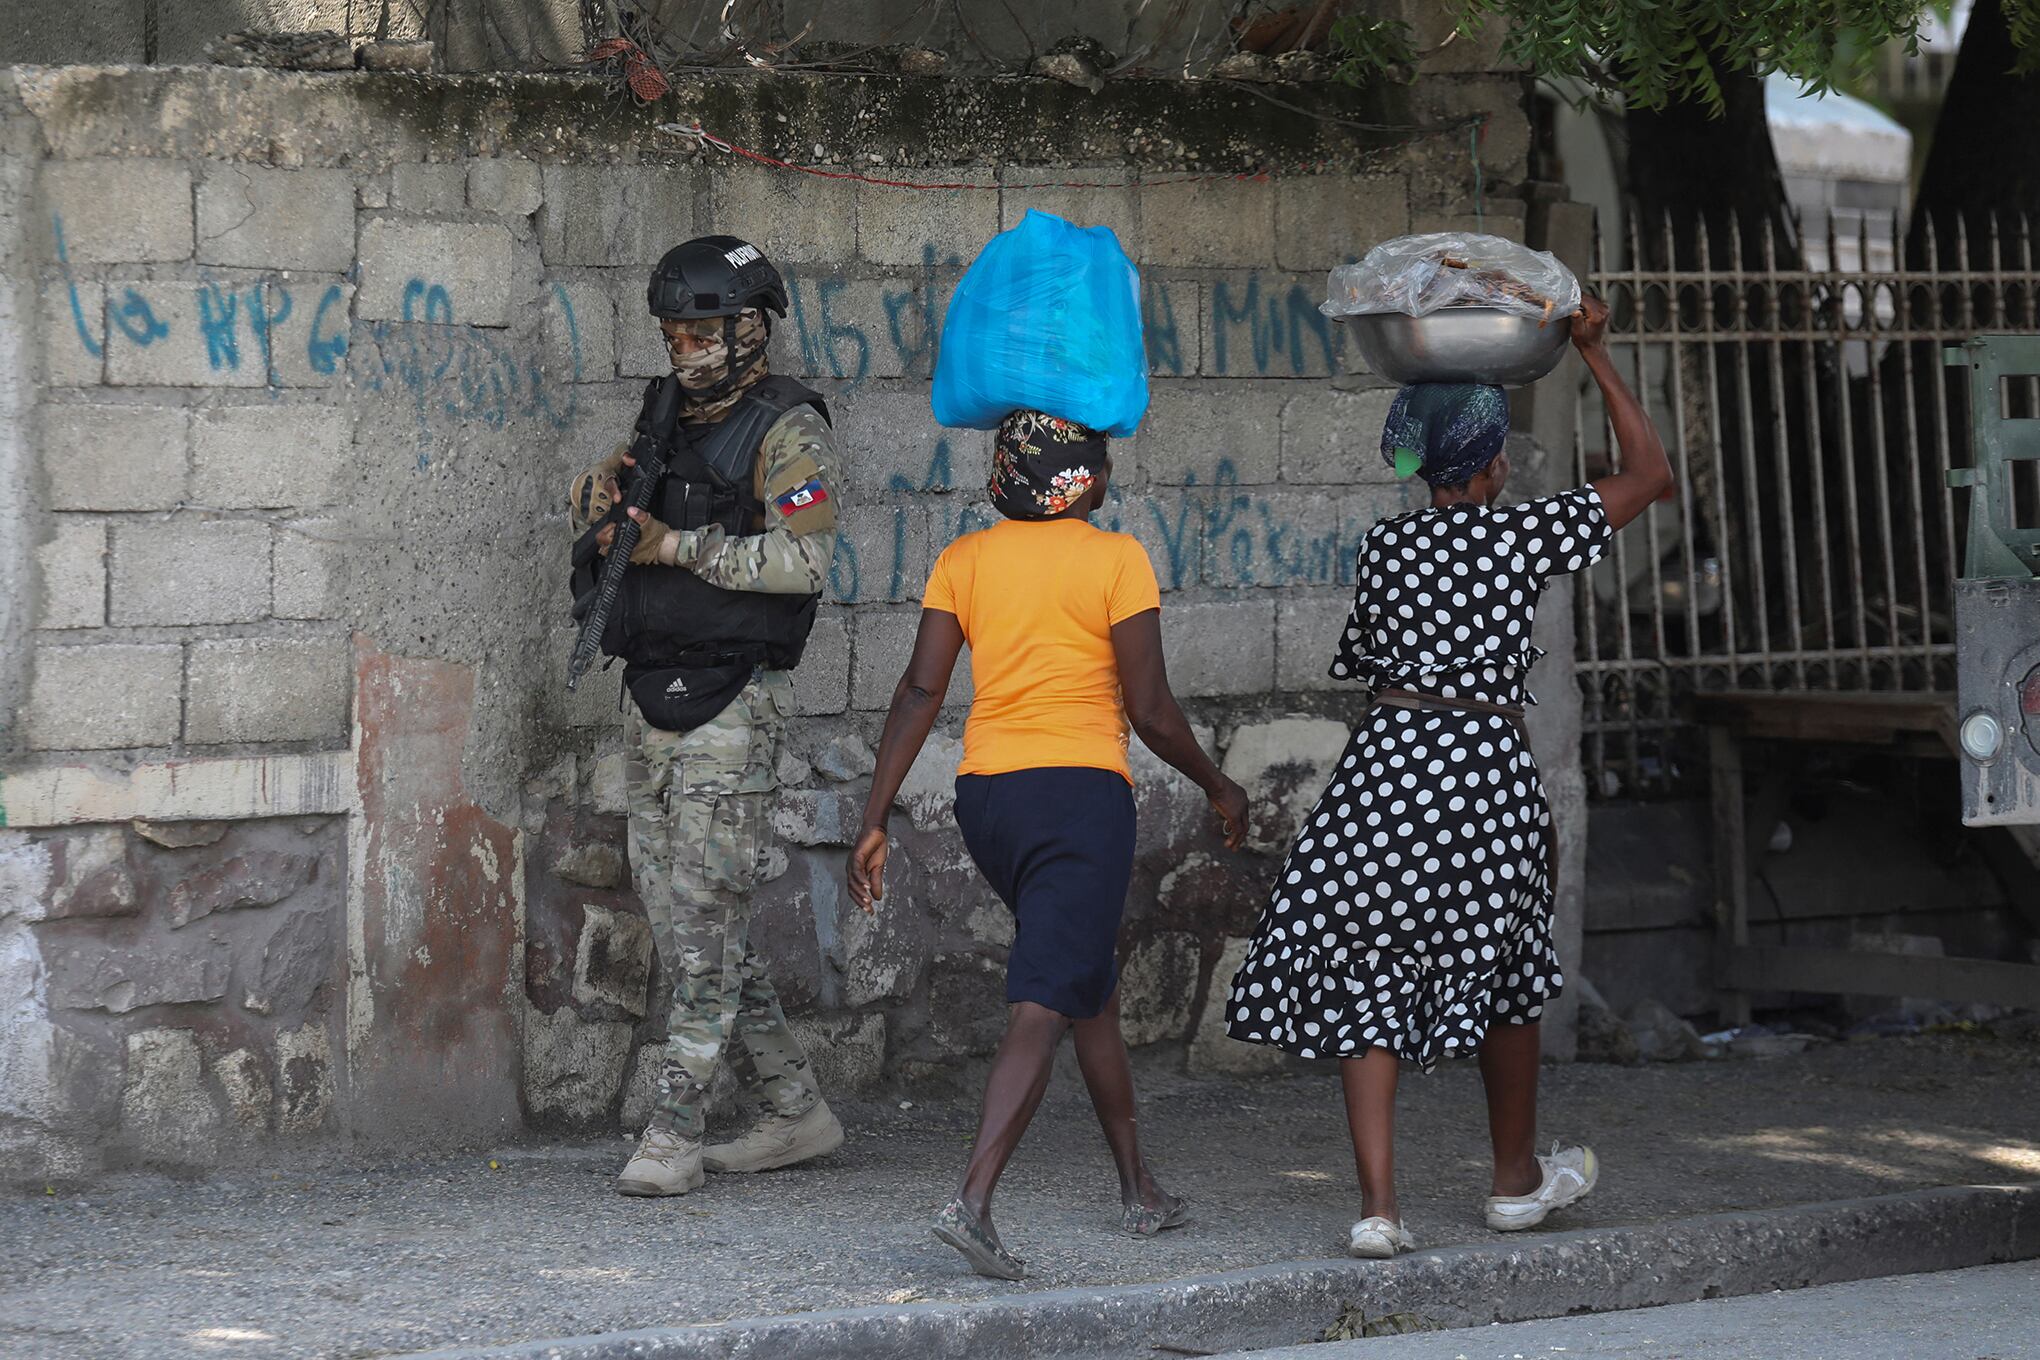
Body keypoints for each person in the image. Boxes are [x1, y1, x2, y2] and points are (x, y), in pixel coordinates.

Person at [1223, 295, 1672, 1258]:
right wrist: (1594, 354)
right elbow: (1649, 474)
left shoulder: (1385, 547)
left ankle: (1378, 1210)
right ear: (1495, 465)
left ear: (1422, 465)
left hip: (1386, 770)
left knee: (1368, 967)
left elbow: (1368, 659)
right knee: (1507, 965)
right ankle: (1513, 1183)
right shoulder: (1523, 537)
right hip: (1486, 773)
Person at [846, 409, 1252, 1281]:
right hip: (1078, 801)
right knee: (1044, 995)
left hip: (988, 801)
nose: (1107, 479)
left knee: (1085, 979)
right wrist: (1219, 784)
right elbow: (1150, 710)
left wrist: (875, 817)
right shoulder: (1117, 560)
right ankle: (972, 1201)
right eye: (1100, 467)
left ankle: (1140, 1187)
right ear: (1083, 483)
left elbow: (919, 691)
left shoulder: (964, 560)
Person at [568, 235, 846, 1197]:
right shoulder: (665, 417)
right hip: (654, 691)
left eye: (702, 332)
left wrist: (673, 547)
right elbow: (602, 509)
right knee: (686, 918)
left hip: (734, 703)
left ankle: (674, 1131)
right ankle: (796, 1111)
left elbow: (804, 562)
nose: (685, 350)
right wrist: (602, 495)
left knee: (706, 919)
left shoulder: (788, 431)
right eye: (673, 334)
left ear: (749, 328)